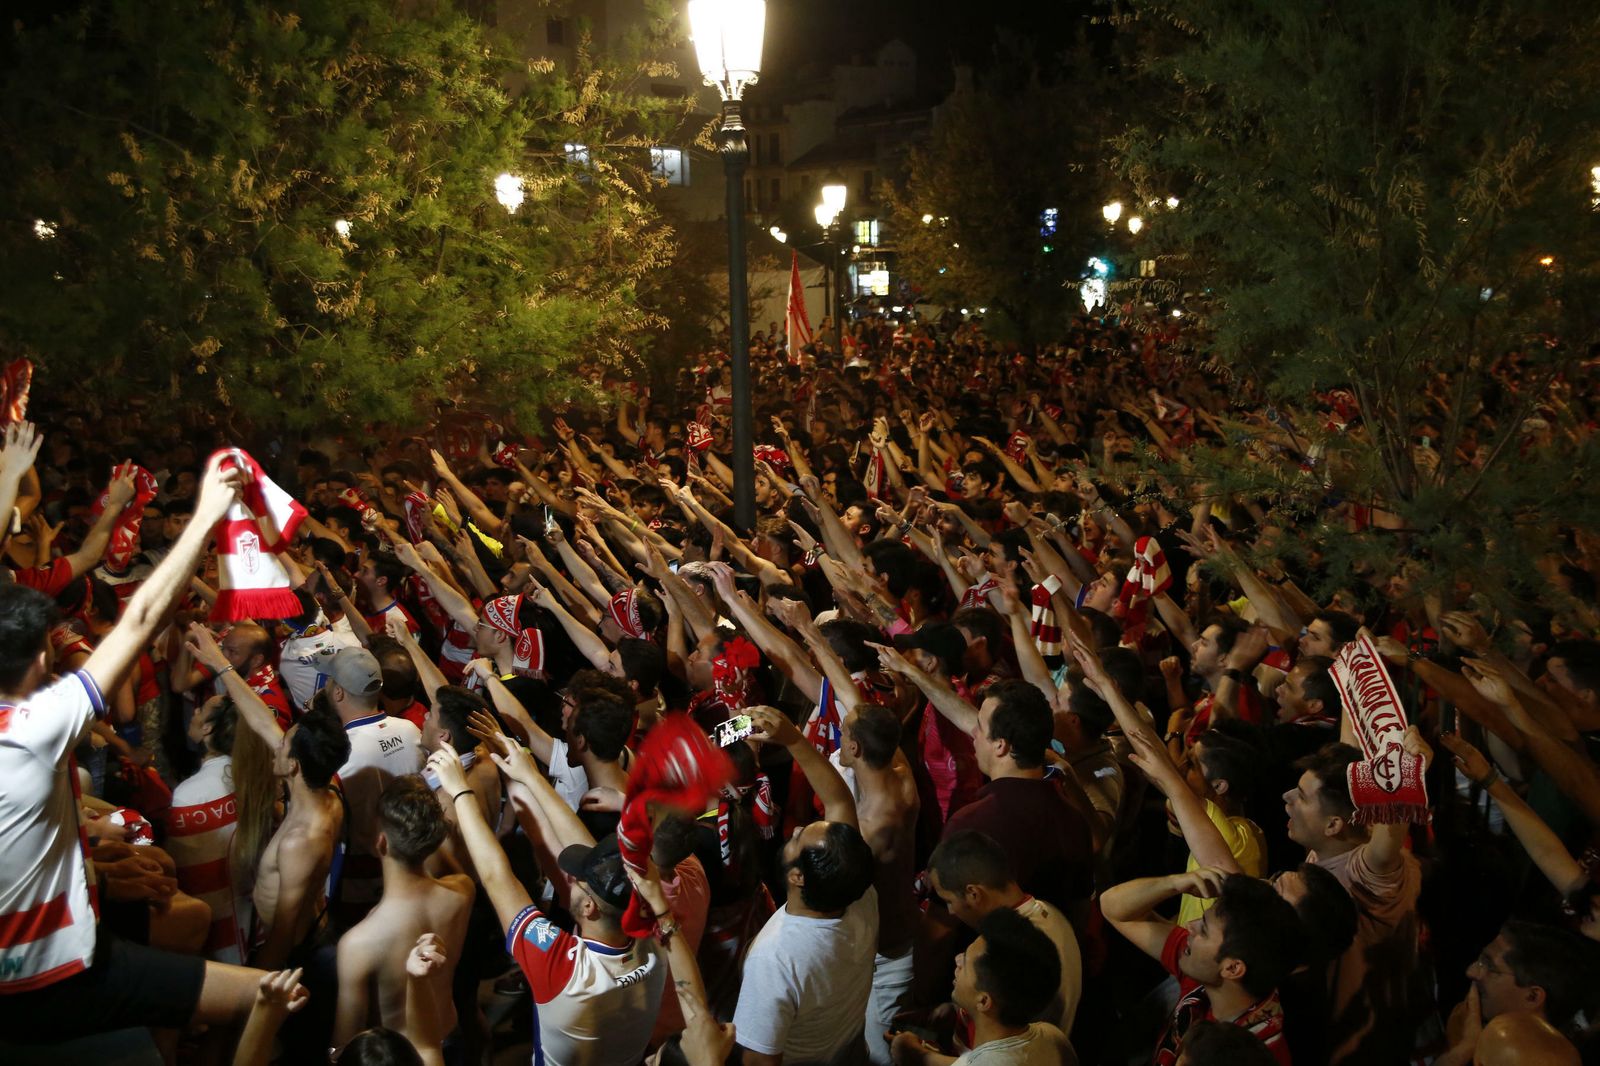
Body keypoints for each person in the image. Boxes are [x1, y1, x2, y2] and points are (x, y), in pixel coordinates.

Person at [0, 452, 263, 1038]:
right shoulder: (38, 726)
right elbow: (140, 617)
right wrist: (207, 516)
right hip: (57, 974)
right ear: (43, 659)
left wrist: (96, 863)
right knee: (272, 995)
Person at [426, 736, 666, 1066]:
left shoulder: (563, 967)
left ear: (589, 908)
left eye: (579, 881)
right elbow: (591, 857)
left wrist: (460, 792)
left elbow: (497, 877)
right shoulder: (657, 937)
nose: (572, 879)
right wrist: (531, 777)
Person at [187, 623, 350, 970]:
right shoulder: (326, 785)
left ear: (292, 765)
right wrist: (221, 664)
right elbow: (262, 721)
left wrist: (256, 988)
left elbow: (283, 935)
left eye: (283, 745)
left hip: (297, 956)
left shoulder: (300, 840)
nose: (275, 745)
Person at [734, 705, 879, 1066]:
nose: (796, 829)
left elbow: (759, 1061)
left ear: (797, 876)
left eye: (799, 839)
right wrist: (793, 739)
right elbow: (838, 800)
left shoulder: (776, 958)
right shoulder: (859, 895)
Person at [1283, 742, 1423, 1063]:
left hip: (1360, 1052)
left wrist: (1406, 768)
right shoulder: (1327, 849)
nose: (1287, 798)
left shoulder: (1369, 871)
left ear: (1334, 825)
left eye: (1301, 797)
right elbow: (1352, 744)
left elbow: (1388, 841)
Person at [332, 775, 474, 1053]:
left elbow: (344, 1043)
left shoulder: (358, 943)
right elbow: (454, 870)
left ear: (381, 844)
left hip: (400, 1054)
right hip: (449, 1038)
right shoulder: (462, 892)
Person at [1102, 866, 1300, 1065]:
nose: (1190, 926)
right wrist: (1173, 883)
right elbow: (1112, 907)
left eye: (1203, 930)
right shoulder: (1206, 971)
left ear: (1232, 969)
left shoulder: (1252, 1056)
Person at [928, 830, 1082, 1037]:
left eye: (949, 901)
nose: (951, 911)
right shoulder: (1052, 915)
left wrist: (922, 1053)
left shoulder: (1010, 951)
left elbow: (1007, 1045)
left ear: (973, 894)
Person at [888, 907, 1075, 1066]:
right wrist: (922, 1055)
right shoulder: (1053, 1038)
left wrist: (914, 1056)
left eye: (966, 962)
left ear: (984, 1001)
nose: (957, 959)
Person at [324, 645, 425, 919]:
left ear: (338, 693)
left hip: (359, 886)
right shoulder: (411, 730)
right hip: (413, 872)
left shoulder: (338, 754)